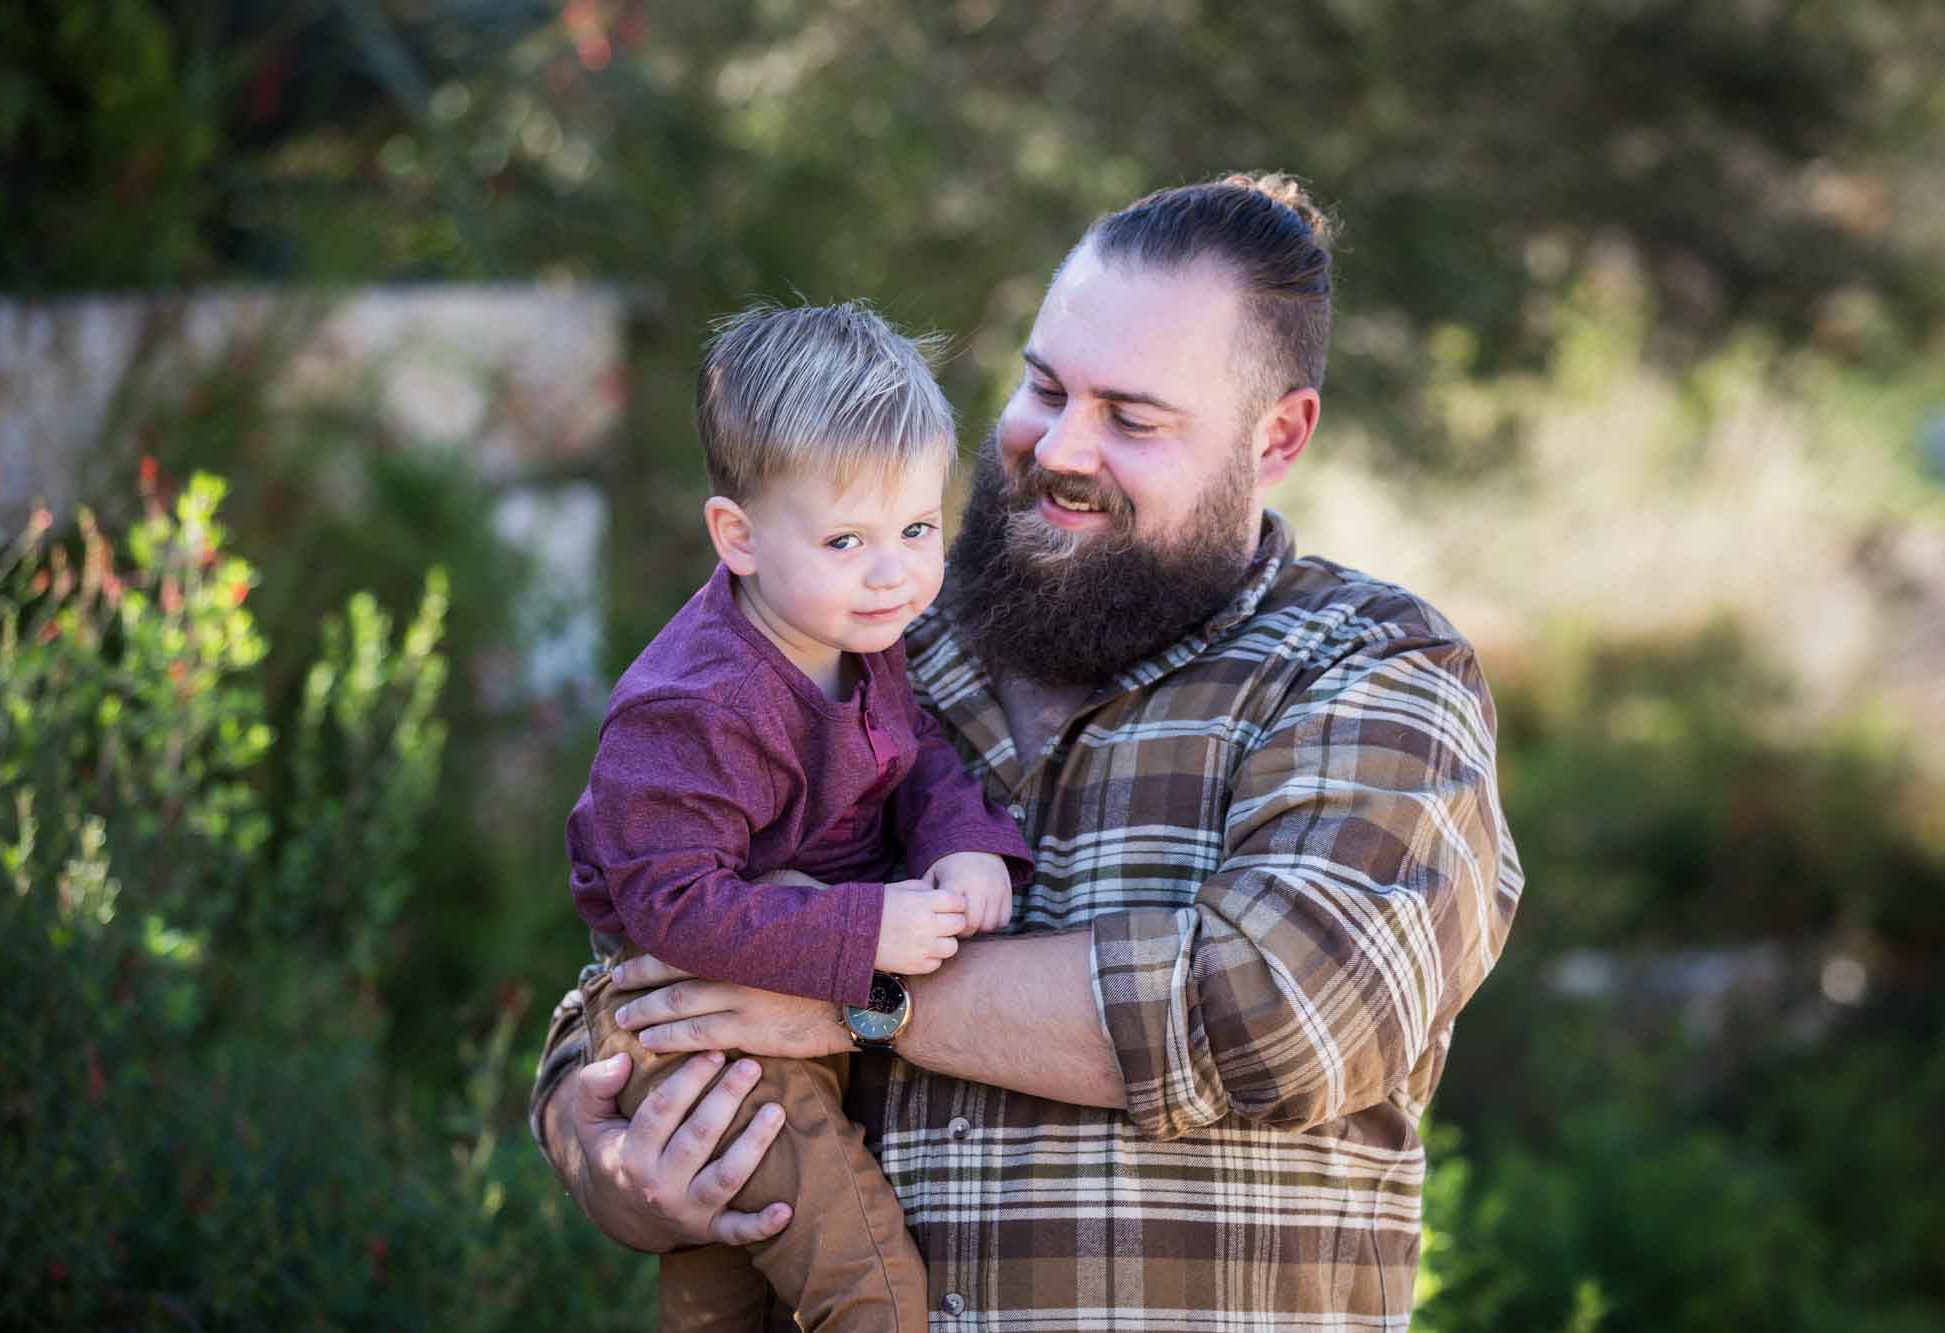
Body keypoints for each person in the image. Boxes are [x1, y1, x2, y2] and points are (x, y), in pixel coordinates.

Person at [532, 172, 1524, 1329]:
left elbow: (1285, 1008)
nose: (1057, 446)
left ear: (1277, 438)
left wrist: (862, 997)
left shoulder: (1367, 670)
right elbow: (644, 928)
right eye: (1044, 385)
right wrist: (604, 1148)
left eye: (1131, 417)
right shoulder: (869, 630)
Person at [564, 301, 1032, 1330]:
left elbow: (909, 761)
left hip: (771, 1007)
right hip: (704, 1031)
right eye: (845, 538)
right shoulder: (693, 704)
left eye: (916, 528)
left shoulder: (858, 630)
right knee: (869, 1292)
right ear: (737, 538)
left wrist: (961, 840)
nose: (892, 569)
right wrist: (865, 933)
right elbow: (668, 907)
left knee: (721, 1293)